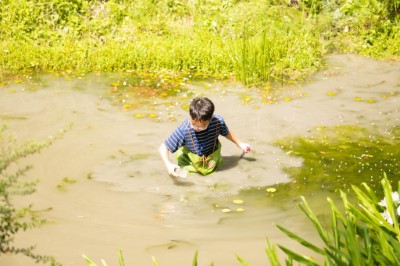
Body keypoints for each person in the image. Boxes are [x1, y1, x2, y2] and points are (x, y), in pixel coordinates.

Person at [159, 96, 251, 176]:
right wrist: (168, 164)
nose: (197, 128)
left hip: (212, 159)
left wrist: (240, 143)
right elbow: (164, 147)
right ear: (190, 116)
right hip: (190, 163)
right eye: (193, 124)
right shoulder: (184, 130)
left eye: (202, 125)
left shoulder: (218, 122)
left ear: (210, 119)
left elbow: (226, 133)